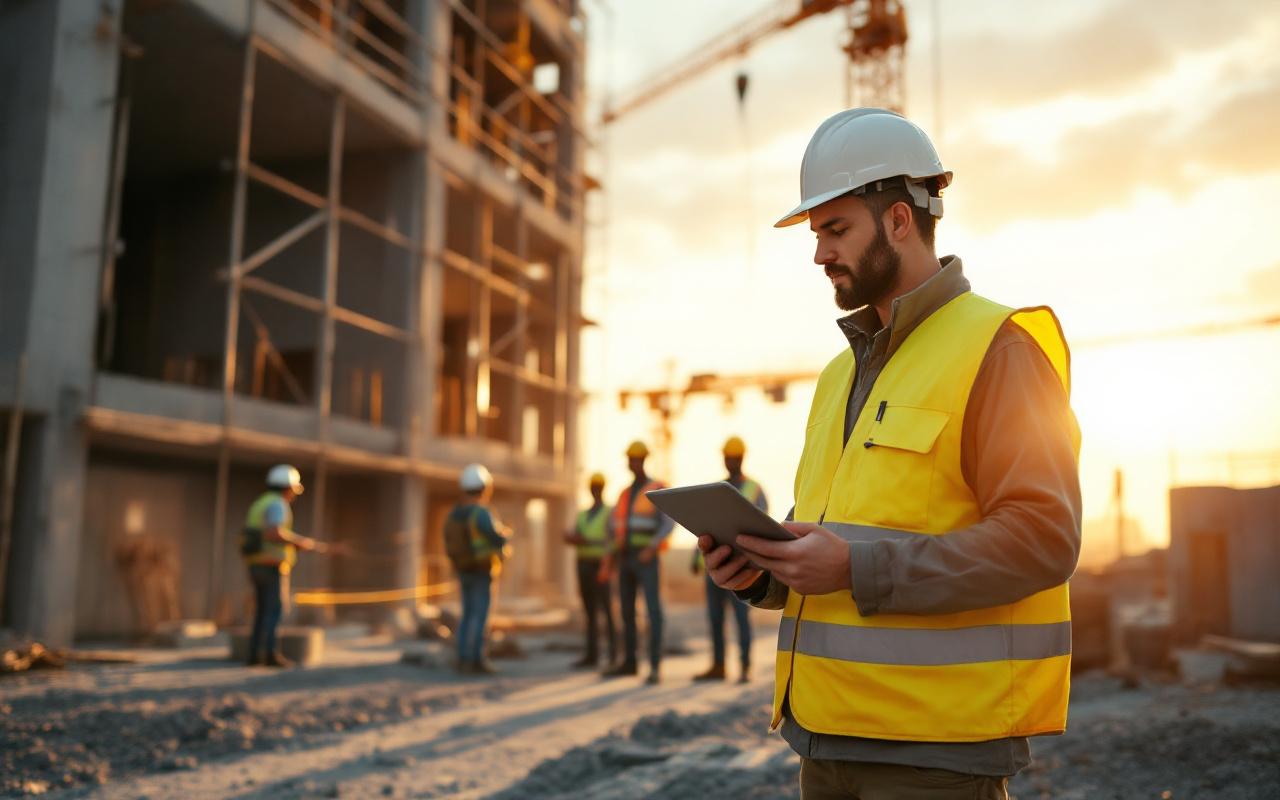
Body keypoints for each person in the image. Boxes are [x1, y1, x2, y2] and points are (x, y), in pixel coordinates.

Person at [699, 108, 1082, 800]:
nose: (819, 254)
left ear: (901, 221)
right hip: (826, 739)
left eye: (835, 229)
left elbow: (1044, 540)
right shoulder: (835, 377)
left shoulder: (1000, 349)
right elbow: (835, 538)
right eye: (816, 234)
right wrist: (758, 572)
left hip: (934, 758)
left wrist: (853, 567)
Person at [691, 436, 766, 683]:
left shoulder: (755, 489)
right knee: (715, 618)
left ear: (741, 458)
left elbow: (763, 525)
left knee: (741, 617)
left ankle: (745, 667)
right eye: (727, 456)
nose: (729, 461)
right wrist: (695, 555)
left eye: (733, 457)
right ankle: (718, 666)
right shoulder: (716, 489)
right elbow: (702, 525)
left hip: (743, 567)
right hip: (714, 565)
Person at [241, 464, 332, 668]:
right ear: (287, 487)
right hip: (272, 565)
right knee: (274, 610)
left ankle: (255, 654)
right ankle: (270, 654)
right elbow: (274, 532)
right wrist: (300, 542)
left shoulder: (261, 502)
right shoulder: (277, 504)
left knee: (262, 610)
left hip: (255, 563)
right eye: (293, 489)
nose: (293, 494)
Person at [600, 440, 673, 684]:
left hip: (646, 559)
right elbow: (614, 526)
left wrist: (652, 547)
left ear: (643, 460)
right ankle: (629, 662)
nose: (633, 463)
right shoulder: (623, 494)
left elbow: (668, 523)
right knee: (627, 613)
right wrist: (611, 556)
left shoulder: (656, 488)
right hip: (625, 559)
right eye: (631, 459)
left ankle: (654, 667)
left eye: (637, 459)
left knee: (653, 611)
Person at [444, 463, 512, 675]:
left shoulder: (454, 514)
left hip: (463, 570)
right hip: (482, 571)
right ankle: (476, 660)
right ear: (484, 487)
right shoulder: (481, 513)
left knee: (467, 614)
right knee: (480, 616)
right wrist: (505, 534)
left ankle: (463, 657)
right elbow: (496, 538)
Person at [563, 472, 618, 669]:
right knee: (590, 612)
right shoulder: (583, 515)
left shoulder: (610, 512)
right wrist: (571, 538)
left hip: (601, 564)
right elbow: (575, 535)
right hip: (584, 564)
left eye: (598, 487)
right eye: (593, 487)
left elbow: (614, 539)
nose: (595, 490)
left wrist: (610, 563)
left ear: (602, 489)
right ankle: (592, 655)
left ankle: (613, 655)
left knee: (607, 611)